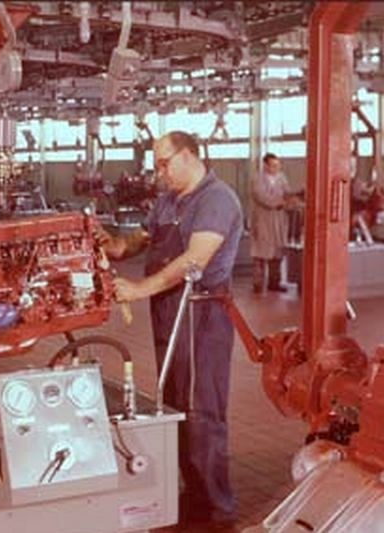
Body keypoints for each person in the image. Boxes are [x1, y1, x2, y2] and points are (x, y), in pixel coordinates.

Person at [98, 131, 243, 527]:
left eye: (164, 163)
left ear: (190, 155)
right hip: (169, 313)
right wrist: (112, 244)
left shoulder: (216, 200)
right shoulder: (167, 200)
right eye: (156, 165)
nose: (159, 172)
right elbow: (141, 239)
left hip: (202, 314)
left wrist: (140, 288)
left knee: (203, 411)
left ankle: (217, 509)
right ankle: (193, 494)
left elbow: (194, 261)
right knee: (176, 406)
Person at [250, 152, 298, 294]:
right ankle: (258, 284)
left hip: (279, 221)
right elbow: (262, 197)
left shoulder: (282, 178)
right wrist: (281, 202)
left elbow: (287, 194)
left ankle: (274, 283)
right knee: (260, 255)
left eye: (278, 165)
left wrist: (293, 199)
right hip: (263, 221)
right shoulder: (257, 179)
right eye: (273, 165)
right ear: (265, 165)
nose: (276, 168)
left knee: (277, 253)